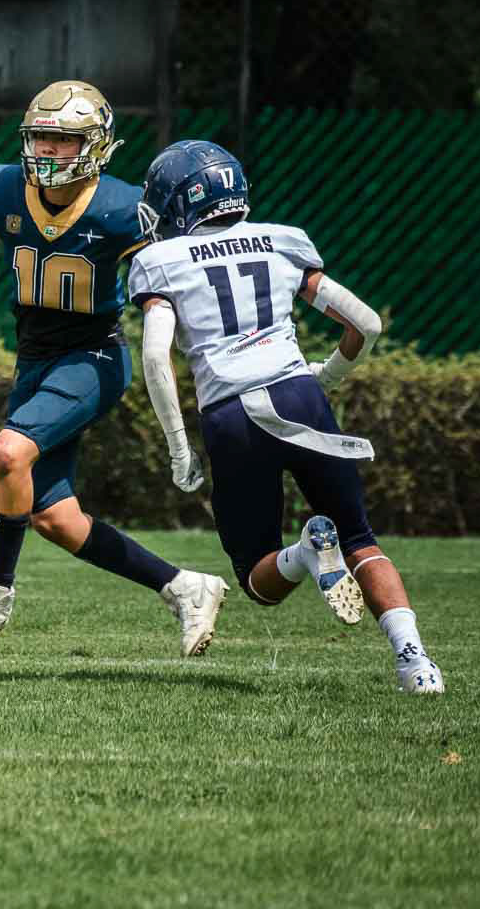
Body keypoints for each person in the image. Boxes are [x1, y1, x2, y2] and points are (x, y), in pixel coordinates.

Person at [0, 80, 230, 656]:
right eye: (41, 138)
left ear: (96, 144)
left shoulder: (123, 209)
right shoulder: (6, 189)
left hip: (92, 357)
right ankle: (183, 586)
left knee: (10, 453)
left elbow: (170, 279)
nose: (48, 151)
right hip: (34, 360)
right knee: (54, 518)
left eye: (64, 140)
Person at [127, 139, 443, 693]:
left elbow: (156, 356)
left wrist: (178, 446)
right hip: (300, 396)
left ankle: (304, 554)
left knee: (257, 578)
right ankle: (416, 665)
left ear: (179, 202)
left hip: (233, 415)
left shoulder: (160, 261)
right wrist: (329, 377)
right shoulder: (281, 241)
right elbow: (366, 324)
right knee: (360, 539)